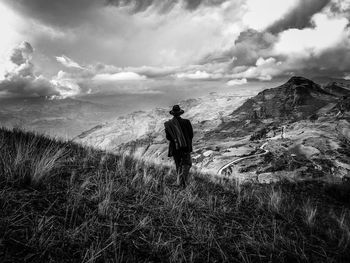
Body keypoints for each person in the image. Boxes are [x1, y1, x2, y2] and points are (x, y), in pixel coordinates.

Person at [164, 105, 193, 188]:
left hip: (175, 148)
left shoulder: (168, 124)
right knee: (187, 164)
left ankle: (179, 182)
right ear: (180, 113)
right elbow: (191, 135)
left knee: (178, 165)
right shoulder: (186, 122)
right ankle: (183, 182)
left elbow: (168, 137)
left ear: (173, 114)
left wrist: (176, 139)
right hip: (185, 147)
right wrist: (184, 141)